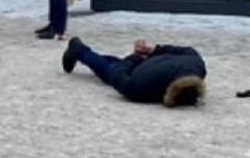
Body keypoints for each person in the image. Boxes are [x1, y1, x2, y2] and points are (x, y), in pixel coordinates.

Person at [62, 37, 207, 107]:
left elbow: (187, 50)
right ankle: (80, 51)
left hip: (152, 64)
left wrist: (151, 51)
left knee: (115, 65)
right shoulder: (141, 87)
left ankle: (81, 51)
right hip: (142, 74)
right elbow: (119, 78)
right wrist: (133, 59)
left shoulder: (197, 63)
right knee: (110, 70)